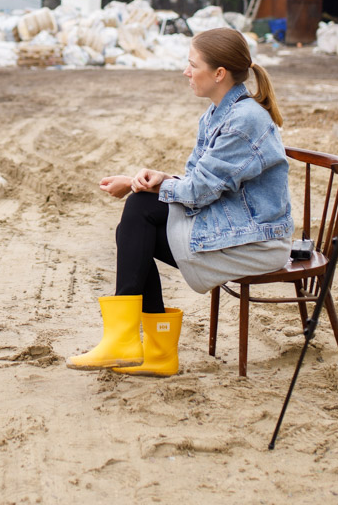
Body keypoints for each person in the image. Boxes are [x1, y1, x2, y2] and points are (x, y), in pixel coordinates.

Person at [67, 27, 293, 377]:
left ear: (219, 74)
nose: (185, 72)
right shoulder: (217, 113)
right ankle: (148, 350)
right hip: (232, 223)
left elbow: (200, 190)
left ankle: (135, 344)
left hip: (258, 241)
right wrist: (142, 182)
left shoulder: (244, 121)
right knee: (137, 222)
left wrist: (140, 185)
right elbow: (197, 181)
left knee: (138, 217)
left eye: (192, 64)